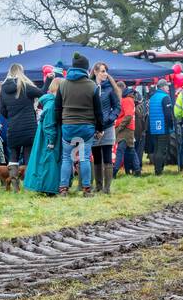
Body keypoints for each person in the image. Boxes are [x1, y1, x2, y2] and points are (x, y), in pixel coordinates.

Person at [53, 52, 103, 197]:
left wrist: (61, 124)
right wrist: (99, 128)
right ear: (86, 69)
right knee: (84, 158)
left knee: (66, 158)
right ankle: (86, 189)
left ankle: (63, 189)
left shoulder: (63, 85)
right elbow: (98, 111)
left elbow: (57, 109)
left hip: (68, 126)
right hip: (86, 128)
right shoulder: (92, 86)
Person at [0, 63, 44, 190]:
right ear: (21, 72)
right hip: (29, 128)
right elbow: (42, 92)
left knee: (13, 156)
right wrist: (49, 79)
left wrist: (12, 117)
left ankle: (15, 186)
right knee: (28, 155)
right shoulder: (24, 86)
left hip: (13, 128)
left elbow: (2, 110)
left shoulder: (3, 90)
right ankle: (29, 184)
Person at [89, 62, 122, 193]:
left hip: (107, 126)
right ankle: (98, 186)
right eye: (102, 71)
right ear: (95, 72)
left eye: (106, 71)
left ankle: (107, 188)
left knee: (107, 157)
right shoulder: (89, 87)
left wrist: (110, 118)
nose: (105, 74)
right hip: (94, 127)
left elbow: (117, 107)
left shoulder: (109, 88)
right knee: (96, 156)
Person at [23, 89, 60, 195]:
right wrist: (51, 140)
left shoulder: (49, 103)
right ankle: (47, 188)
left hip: (44, 137)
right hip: (48, 138)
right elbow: (49, 125)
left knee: (43, 161)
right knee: (48, 162)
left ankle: (44, 187)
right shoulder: (52, 104)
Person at [146, 80, 175, 174]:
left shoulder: (152, 97)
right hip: (163, 127)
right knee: (161, 149)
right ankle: (158, 171)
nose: (168, 88)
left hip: (153, 128)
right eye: (167, 86)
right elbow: (168, 114)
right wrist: (171, 125)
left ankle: (158, 168)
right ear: (162, 87)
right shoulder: (165, 97)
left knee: (156, 149)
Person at [114, 83, 139, 177]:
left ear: (121, 89)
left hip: (125, 129)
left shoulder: (127, 99)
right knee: (130, 150)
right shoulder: (126, 98)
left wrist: (119, 127)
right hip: (127, 128)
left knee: (121, 150)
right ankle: (137, 170)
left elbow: (128, 115)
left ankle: (114, 172)